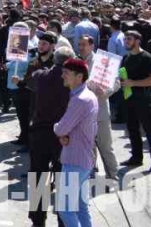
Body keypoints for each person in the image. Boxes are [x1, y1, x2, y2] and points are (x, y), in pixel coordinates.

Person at [25, 47, 74, 227]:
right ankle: (64, 220)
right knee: (64, 179)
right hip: (64, 135)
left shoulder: (41, 75)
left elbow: (30, 83)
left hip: (41, 133)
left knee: (39, 178)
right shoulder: (71, 81)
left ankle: (38, 220)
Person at [53, 58, 99, 227]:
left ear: (79, 77)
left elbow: (61, 128)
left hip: (75, 161)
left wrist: (58, 129)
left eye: (66, 73)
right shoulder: (88, 96)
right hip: (83, 160)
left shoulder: (80, 99)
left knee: (65, 209)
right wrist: (64, 134)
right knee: (81, 207)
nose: (63, 76)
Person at [119, 29, 151, 172]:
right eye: (125, 39)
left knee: (150, 131)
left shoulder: (146, 57)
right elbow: (124, 78)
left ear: (137, 41)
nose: (126, 42)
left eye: (129, 39)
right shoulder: (125, 58)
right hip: (128, 99)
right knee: (132, 130)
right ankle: (136, 157)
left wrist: (133, 83)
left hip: (143, 100)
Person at [77, 35, 118, 179]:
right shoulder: (76, 62)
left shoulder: (102, 61)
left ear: (92, 46)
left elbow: (116, 82)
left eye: (84, 44)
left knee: (105, 146)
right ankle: (90, 173)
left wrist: (106, 92)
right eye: (79, 44)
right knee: (87, 147)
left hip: (100, 111)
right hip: (83, 113)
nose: (81, 47)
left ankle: (113, 175)